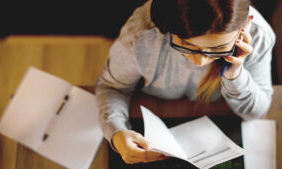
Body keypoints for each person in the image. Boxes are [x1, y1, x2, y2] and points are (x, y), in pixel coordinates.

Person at [95, 0, 276, 165]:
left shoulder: (259, 35)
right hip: (152, 109)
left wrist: (235, 75)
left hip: (220, 115)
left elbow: (256, 113)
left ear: (245, 26)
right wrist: (117, 132)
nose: (200, 62)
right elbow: (112, 86)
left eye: (218, 49)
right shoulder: (141, 37)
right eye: (186, 45)